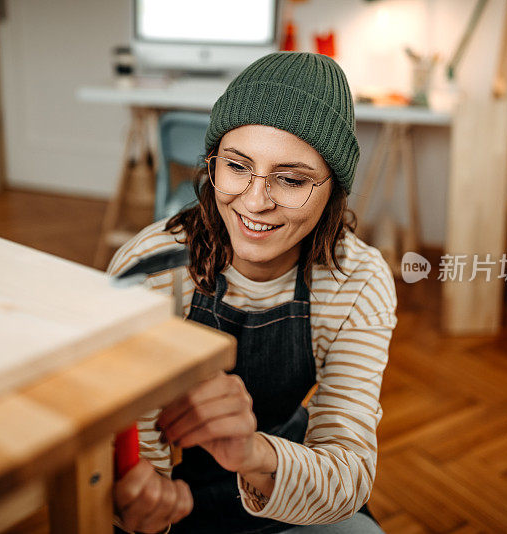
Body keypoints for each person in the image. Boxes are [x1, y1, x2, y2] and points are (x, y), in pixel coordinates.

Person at [108, 52, 397, 534]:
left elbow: (348, 474)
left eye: (290, 179)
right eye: (237, 166)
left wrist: (252, 452)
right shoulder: (150, 272)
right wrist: (141, 500)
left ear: (333, 191)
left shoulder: (358, 281)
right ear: (212, 164)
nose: (255, 201)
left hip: (288, 475)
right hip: (181, 498)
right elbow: (137, 456)